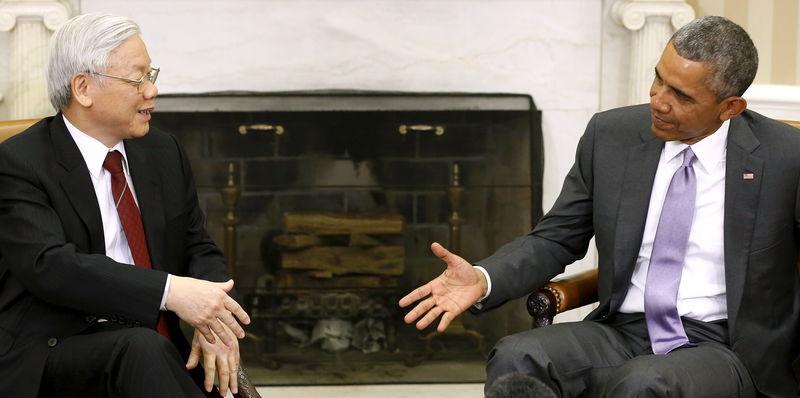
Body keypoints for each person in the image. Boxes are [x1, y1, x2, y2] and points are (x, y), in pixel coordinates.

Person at [400, 16, 800, 397]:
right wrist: (484, 278)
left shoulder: (784, 158)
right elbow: (556, 238)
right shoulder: (612, 136)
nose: (658, 101)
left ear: (729, 107)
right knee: (518, 357)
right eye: (658, 78)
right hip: (622, 329)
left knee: (644, 383)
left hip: (722, 344)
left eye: (680, 95)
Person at [0, 13, 251, 397]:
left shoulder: (162, 151)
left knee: (193, 370)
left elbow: (197, 245)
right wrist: (171, 292)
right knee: (140, 347)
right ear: (83, 88)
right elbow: (50, 266)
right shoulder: (20, 162)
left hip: (154, 343)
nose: (151, 91)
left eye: (152, 76)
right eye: (138, 79)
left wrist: (213, 319)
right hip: (55, 346)